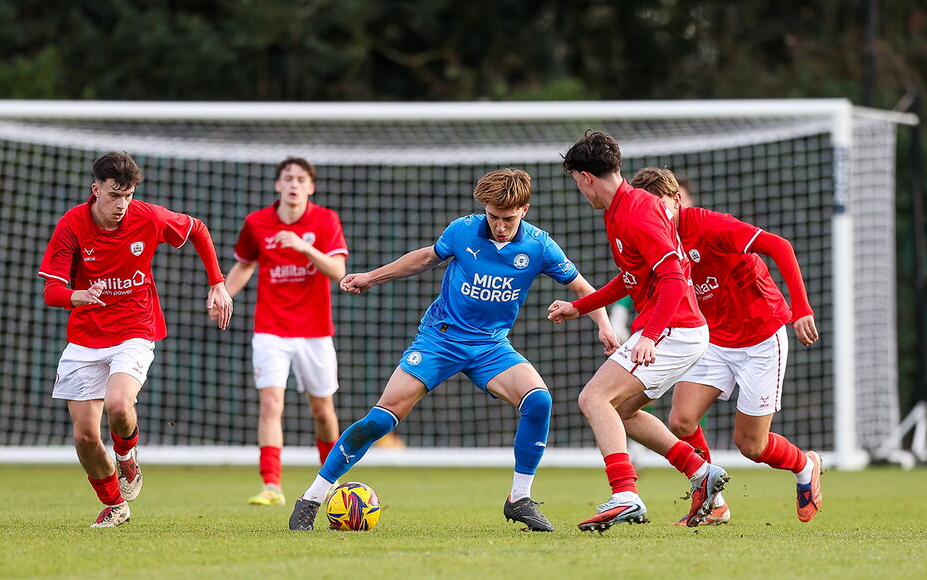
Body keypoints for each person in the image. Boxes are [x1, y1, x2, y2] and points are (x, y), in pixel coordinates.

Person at [288, 168, 615, 531]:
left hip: (491, 346)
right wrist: (370, 277)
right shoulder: (463, 230)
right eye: (493, 217)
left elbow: (585, 289)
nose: (500, 226)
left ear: (525, 209)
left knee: (538, 400)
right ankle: (311, 498)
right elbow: (426, 258)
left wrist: (604, 326)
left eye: (508, 218)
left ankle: (519, 498)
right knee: (381, 418)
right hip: (439, 339)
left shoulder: (539, 245)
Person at [38, 151, 233, 528]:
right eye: (114, 195)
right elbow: (51, 290)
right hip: (85, 336)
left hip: (135, 329)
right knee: (84, 438)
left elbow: (198, 230)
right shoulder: (72, 225)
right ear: (95, 190)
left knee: (118, 404)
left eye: (127, 195)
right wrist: (75, 296)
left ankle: (127, 455)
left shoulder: (147, 216)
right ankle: (115, 505)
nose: (121, 205)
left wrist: (217, 283)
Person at [547, 131, 729, 531]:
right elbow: (632, 278)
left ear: (585, 177)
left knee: (594, 398)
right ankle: (701, 472)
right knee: (623, 411)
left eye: (576, 182)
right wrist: (580, 306)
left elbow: (672, 279)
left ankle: (625, 494)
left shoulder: (637, 212)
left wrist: (649, 335)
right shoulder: (619, 209)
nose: (579, 190)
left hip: (673, 328)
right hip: (675, 328)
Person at [630, 167, 822, 524]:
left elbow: (780, 246)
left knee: (751, 446)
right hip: (713, 339)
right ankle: (713, 501)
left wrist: (802, 309)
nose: (654, 214)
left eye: (660, 205)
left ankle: (805, 464)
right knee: (681, 420)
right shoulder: (654, 238)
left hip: (761, 337)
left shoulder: (708, 225)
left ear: (676, 201)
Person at [215, 157, 349, 507]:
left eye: (301, 179)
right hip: (271, 329)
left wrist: (304, 247)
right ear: (277, 185)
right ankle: (272, 484)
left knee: (322, 411)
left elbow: (337, 270)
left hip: (315, 331)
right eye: (287, 178)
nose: (293, 184)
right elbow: (244, 265)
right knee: (271, 404)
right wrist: (223, 294)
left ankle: (330, 480)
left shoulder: (325, 220)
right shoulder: (257, 223)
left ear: (311, 187)